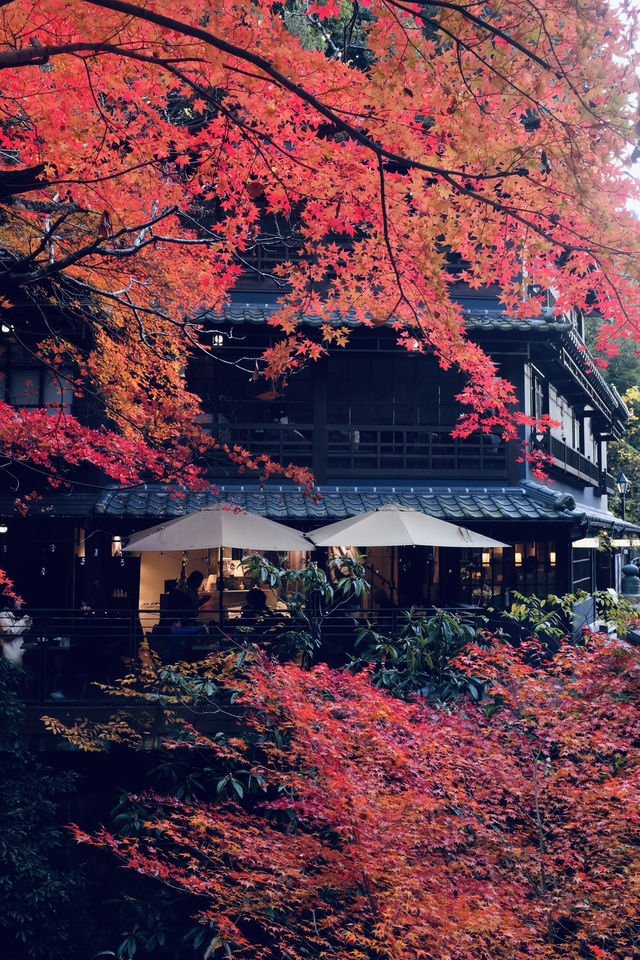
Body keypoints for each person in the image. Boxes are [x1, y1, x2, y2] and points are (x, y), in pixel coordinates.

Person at [0, 596, 32, 667]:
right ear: (10, 602)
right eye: (17, 600)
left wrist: (26, 624)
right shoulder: (3, 615)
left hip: (16, 650)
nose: (20, 602)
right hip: (10, 652)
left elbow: (19, 631)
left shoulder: (10, 614)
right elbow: (9, 633)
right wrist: (23, 621)